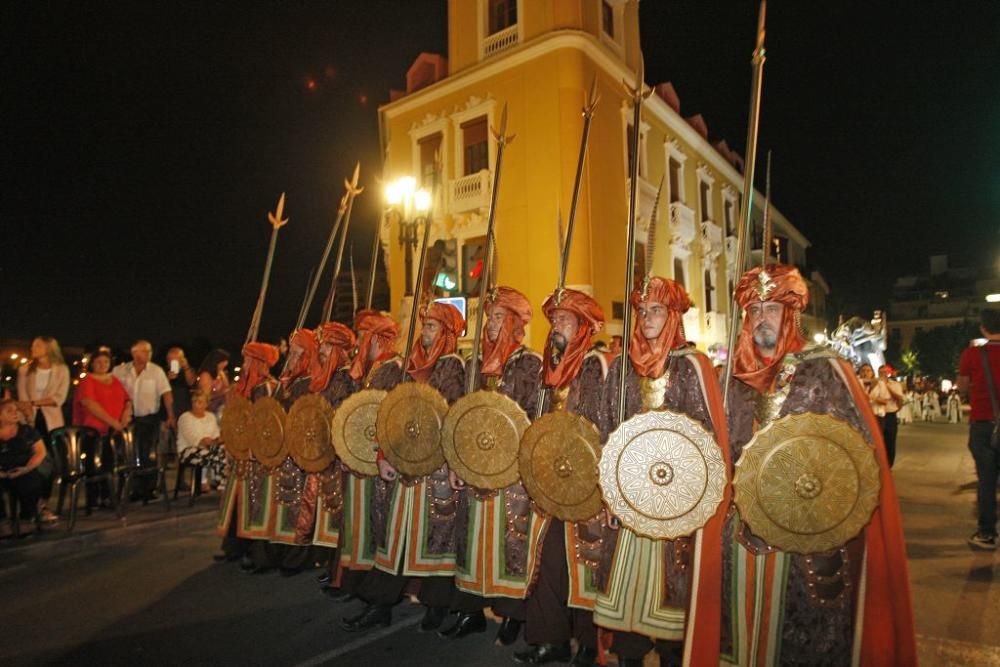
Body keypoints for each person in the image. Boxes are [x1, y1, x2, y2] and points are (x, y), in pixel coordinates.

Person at [723, 264, 915, 666]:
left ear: (790, 313)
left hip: (810, 532)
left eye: (771, 309)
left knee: (808, 639)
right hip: (745, 533)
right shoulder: (735, 378)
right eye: (754, 310)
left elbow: (856, 458)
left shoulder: (825, 369)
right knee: (745, 635)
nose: (761, 319)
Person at [598, 277, 731, 667]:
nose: (647, 317)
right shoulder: (623, 366)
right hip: (628, 495)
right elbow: (609, 428)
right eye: (642, 311)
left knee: (675, 584)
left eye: (656, 310)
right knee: (627, 584)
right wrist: (608, 491)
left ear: (672, 315)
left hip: (678, 501)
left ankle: (675, 656)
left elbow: (706, 434)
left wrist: (693, 496)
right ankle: (629, 655)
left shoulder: (692, 365)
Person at [342, 301, 466, 633]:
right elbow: (389, 415)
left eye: (432, 326)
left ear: (446, 333)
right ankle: (379, 603)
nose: (425, 331)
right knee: (394, 537)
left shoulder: (453, 367)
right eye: (423, 325)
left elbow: (453, 418)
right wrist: (383, 454)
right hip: (401, 466)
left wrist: (453, 463)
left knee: (437, 541)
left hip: (435, 469)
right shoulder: (403, 366)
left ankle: (437, 606)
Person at [444, 287, 543, 644]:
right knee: (470, 540)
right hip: (473, 467)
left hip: (512, 473)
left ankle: (513, 614)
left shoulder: (529, 363)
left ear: (514, 322)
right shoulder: (473, 364)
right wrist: (455, 460)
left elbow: (530, 415)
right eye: (489, 316)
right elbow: (459, 416)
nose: (490, 323)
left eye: (499, 316)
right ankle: (469, 610)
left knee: (510, 542)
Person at [515, 288, 607, 667]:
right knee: (548, 560)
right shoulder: (548, 370)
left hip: (589, 484)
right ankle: (550, 639)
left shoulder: (597, 366)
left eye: (564, 320)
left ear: (583, 327)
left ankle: (588, 644)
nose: (555, 327)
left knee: (587, 562)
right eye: (553, 320)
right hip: (551, 481)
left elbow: (607, 423)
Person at [325, 310, 401, 601]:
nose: (358, 342)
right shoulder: (371, 368)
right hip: (360, 460)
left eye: (362, 336)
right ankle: (353, 580)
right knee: (358, 522)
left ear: (376, 338)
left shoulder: (392, 368)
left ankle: (370, 588)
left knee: (376, 525)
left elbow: (382, 415)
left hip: (376, 461)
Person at [215, 341, 280, 567]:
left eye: (247, 360)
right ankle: (234, 547)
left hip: (257, 456)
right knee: (237, 503)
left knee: (256, 505)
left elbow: (267, 423)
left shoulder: (267, 387)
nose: (243, 364)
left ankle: (258, 554)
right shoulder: (243, 386)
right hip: (240, 454)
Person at [957, 310, 1000, 549]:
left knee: (986, 480)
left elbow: (962, 386)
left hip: (984, 423)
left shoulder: (973, 354)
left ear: (983, 328)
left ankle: (987, 533)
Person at [113, 340, 174, 500]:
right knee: (127, 453)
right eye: (144, 351)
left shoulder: (156, 371)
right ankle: (129, 488)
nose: (148, 355)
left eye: (149, 351)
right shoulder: (120, 371)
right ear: (134, 353)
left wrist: (170, 414)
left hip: (148, 418)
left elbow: (166, 393)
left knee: (149, 453)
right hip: (127, 418)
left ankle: (148, 489)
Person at [16, 336, 69, 522]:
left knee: (49, 464)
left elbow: (59, 398)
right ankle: (29, 506)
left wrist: (34, 402)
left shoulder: (61, 370)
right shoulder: (25, 370)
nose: (33, 348)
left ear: (49, 348)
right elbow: (22, 398)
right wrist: (28, 414)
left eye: (37, 345)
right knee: (31, 462)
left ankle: (43, 504)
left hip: (51, 421)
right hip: (30, 420)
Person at [74, 349, 131, 509]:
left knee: (109, 463)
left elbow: (127, 399)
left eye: (105, 362)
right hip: (94, 429)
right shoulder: (87, 381)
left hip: (114, 430)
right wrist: (113, 422)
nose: (102, 365)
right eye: (98, 362)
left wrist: (125, 414)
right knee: (93, 464)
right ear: (92, 363)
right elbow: (90, 404)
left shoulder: (114, 380)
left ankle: (108, 497)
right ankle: (93, 499)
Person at [0, 398, 50, 536]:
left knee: (31, 482)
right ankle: (2, 521)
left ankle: (26, 518)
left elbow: (40, 452)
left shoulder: (27, 431)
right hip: (2, 471)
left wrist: (26, 468)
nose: (15, 413)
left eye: (16, 410)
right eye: (9, 411)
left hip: (25, 469)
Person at [176, 390, 224, 492]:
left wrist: (216, 440)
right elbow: (193, 439)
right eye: (194, 402)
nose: (196, 405)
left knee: (222, 451)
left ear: (206, 404)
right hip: (189, 450)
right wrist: (208, 442)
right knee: (213, 454)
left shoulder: (210, 417)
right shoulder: (185, 418)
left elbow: (216, 434)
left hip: (209, 447)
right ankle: (210, 482)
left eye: (200, 402)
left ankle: (220, 482)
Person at [869, 364, 904, 466]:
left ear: (888, 373)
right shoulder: (876, 383)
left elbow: (899, 398)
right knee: (877, 440)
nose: (883, 374)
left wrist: (887, 386)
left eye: (885, 372)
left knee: (890, 440)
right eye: (881, 372)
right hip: (877, 415)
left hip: (889, 414)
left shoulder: (895, 384)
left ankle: (889, 465)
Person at [195, 348, 230, 416]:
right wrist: (221, 393)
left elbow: (227, 388)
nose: (226, 364)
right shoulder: (205, 375)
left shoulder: (221, 373)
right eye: (223, 361)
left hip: (222, 409)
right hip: (210, 411)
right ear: (216, 361)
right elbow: (205, 397)